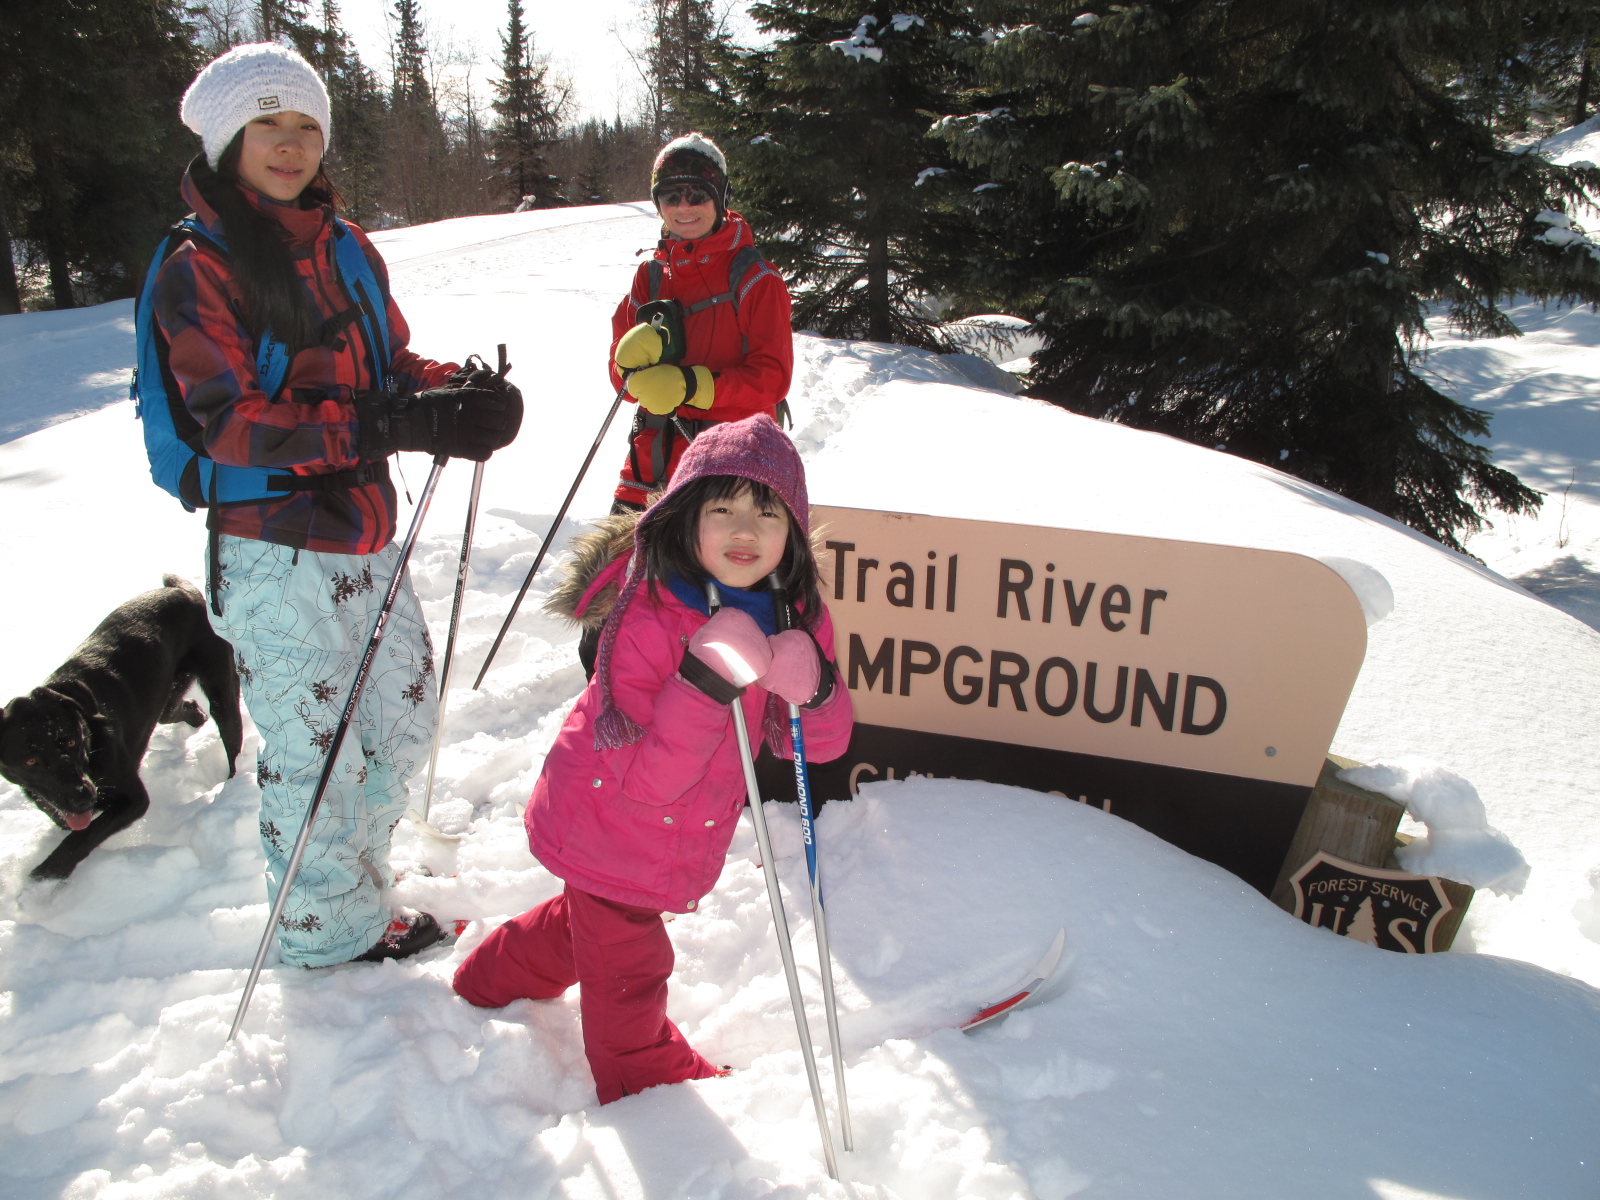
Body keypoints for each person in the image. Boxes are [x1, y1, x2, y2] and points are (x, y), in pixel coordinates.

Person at [156, 43, 522, 967]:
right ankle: (325, 935)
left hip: (366, 534)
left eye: (307, 126)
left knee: (397, 728)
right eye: (268, 125)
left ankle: (361, 893)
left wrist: (453, 394)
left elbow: (389, 368)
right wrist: (382, 424)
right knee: (319, 752)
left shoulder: (348, 246)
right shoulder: (195, 267)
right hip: (272, 546)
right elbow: (227, 422)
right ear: (228, 136)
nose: (290, 145)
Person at [452, 414, 853, 1104]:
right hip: (611, 818)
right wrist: (705, 683)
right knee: (629, 963)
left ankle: (490, 975)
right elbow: (653, 781)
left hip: (657, 832)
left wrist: (813, 690)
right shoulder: (653, 613)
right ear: (684, 519)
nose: (743, 532)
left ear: (793, 529)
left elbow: (811, 746)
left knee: (593, 924)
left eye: (766, 513)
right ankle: (643, 1079)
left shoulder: (794, 614)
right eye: (721, 509)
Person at [579, 132, 793, 677]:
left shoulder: (755, 277)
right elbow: (621, 379)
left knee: (703, 638)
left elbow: (773, 378)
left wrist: (693, 387)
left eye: (696, 194)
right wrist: (629, 364)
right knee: (602, 627)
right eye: (670, 196)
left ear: (719, 197)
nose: (683, 208)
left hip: (725, 479)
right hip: (649, 469)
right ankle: (613, 741)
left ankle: (691, 746)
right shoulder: (649, 276)